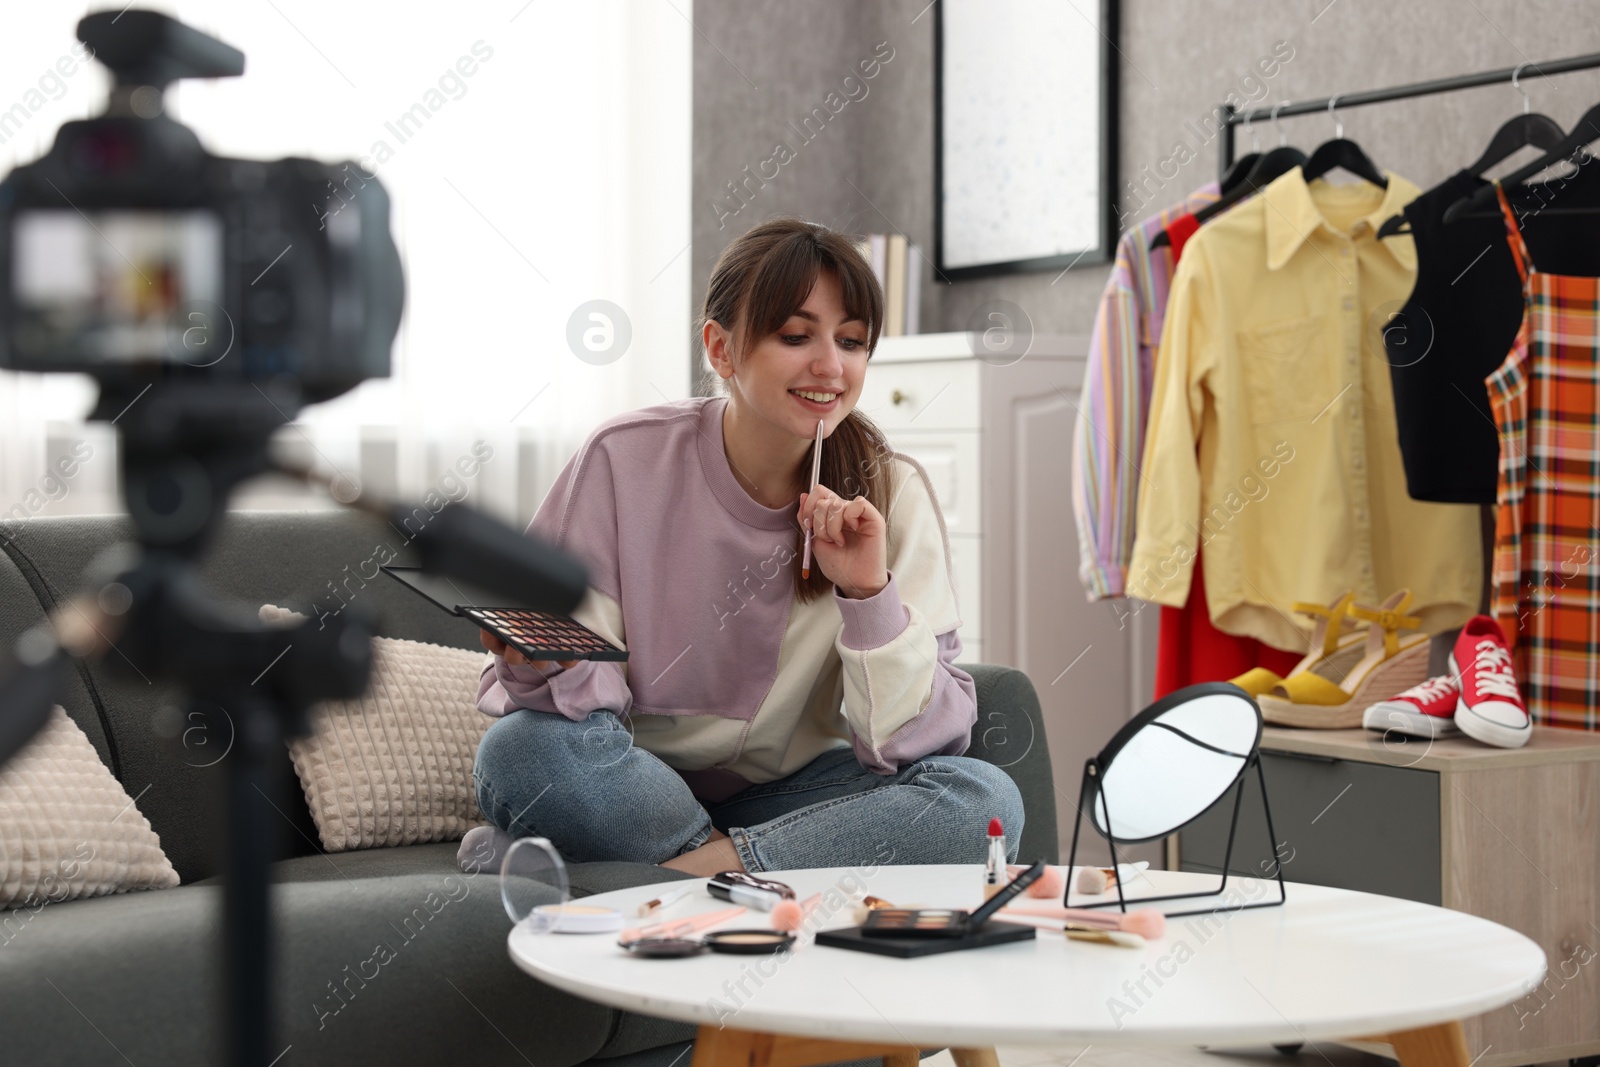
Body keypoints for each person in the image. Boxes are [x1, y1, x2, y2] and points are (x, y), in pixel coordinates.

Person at [464, 217, 1023, 876]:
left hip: (794, 797)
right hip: (632, 781)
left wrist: (867, 595)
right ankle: (741, 868)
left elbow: (915, 745)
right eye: (795, 336)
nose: (830, 366)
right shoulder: (623, 459)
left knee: (983, 801)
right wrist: (543, 661)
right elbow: (571, 704)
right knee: (519, 752)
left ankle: (674, 872)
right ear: (720, 349)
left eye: (851, 341)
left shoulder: (890, 493)